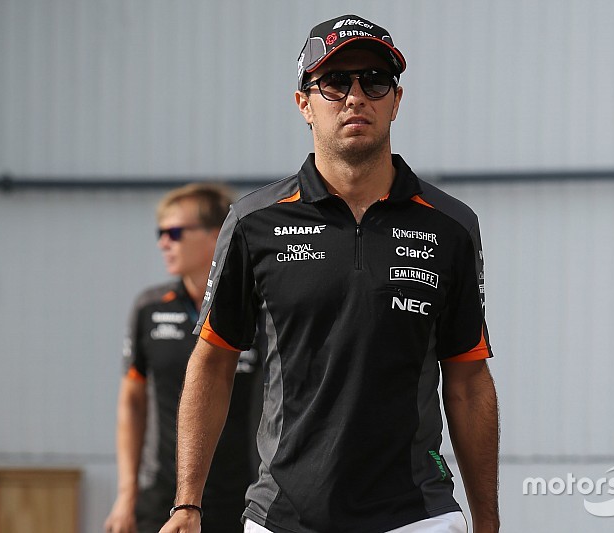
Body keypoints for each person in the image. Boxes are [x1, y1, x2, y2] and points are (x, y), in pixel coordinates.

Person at [162, 14, 500, 533]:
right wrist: (188, 504)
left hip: (418, 516)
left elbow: (469, 379)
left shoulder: (451, 226)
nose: (355, 96)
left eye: (374, 81)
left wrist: (488, 521)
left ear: (396, 100)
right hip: (284, 517)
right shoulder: (254, 222)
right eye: (335, 82)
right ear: (304, 103)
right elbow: (212, 362)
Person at [104, 183, 261, 533]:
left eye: (174, 232)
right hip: (165, 496)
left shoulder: (261, 310)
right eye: (161, 233)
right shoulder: (150, 308)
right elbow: (131, 403)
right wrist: (126, 494)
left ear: (216, 236)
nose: (163, 242)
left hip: (246, 497)